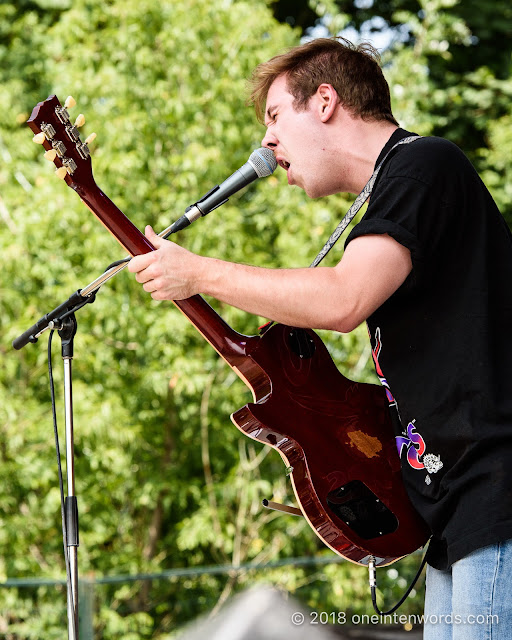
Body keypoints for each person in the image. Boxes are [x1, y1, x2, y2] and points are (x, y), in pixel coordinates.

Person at [128, 37, 512, 639]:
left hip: (497, 492)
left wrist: (199, 272)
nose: (267, 143)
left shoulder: (423, 165)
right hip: (456, 505)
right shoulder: (394, 188)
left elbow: (341, 300)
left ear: (326, 100)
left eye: (276, 116)